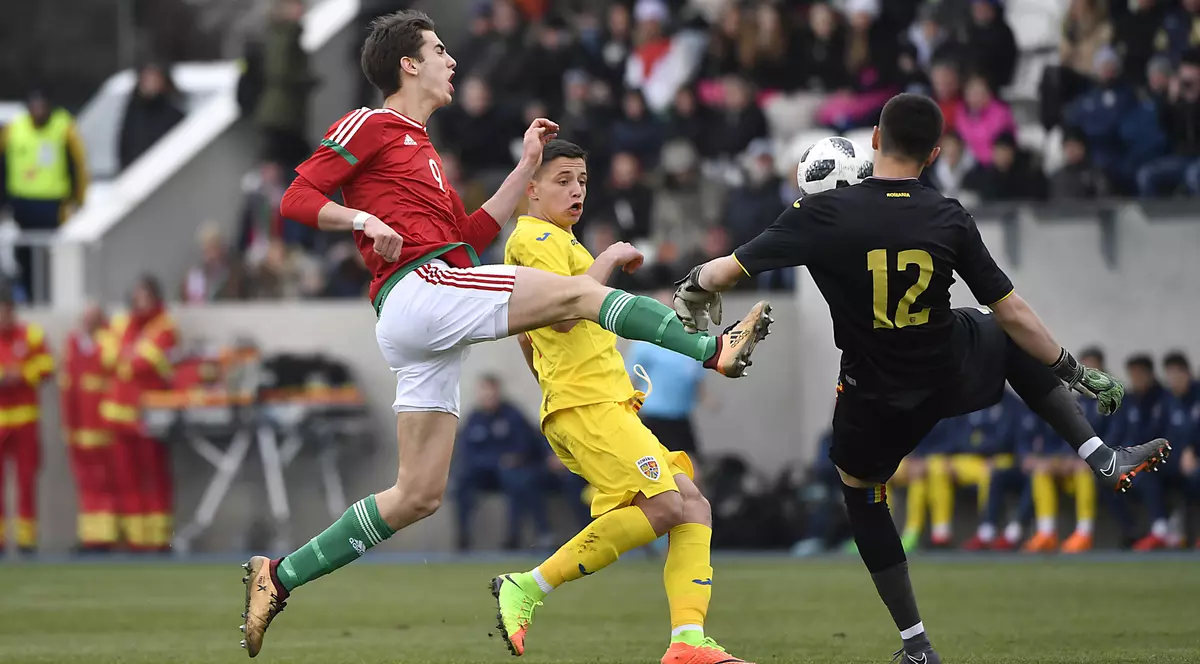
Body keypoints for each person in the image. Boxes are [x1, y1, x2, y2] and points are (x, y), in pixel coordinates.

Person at [240, 12, 772, 658]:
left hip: (431, 308)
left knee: (416, 496)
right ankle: (712, 349)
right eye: (439, 50)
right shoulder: (372, 123)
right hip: (419, 291)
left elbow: (468, 236)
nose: (451, 61)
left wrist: (526, 167)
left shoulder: (425, 150)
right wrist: (360, 219)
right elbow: (295, 198)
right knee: (580, 294)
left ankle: (280, 576)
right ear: (408, 64)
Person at [671, 93, 1171, 663]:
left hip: (873, 389)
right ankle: (1100, 454)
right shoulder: (948, 214)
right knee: (999, 328)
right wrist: (1072, 370)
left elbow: (722, 272)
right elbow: (1013, 312)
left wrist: (693, 288)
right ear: (934, 153)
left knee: (862, 493)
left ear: (874, 140)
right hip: (946, 365)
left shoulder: (821, 212)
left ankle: (916, 644)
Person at [491, 139, 753, 664]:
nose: (576, 190)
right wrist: (609, 256)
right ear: (531, 188)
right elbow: (564, 314)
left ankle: (688, 642)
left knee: (692, 506)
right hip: (587, 406)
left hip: (601, 402)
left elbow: (529, 335)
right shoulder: (535, 237)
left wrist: (553, 381)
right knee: (666, 506)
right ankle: (527, 586)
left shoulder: (560, 242)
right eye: (563, 180)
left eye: (583, 181)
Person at [100, 275, 177, 552]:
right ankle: (137, 540)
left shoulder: (164, 325)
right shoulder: (122, 323)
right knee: (127, 480)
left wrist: (126, 358)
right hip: (119, 418)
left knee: (154, 476)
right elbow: (107, 357)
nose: (140, 302)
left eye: (145, 296)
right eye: (137, 296)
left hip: (148, 417)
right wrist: (127, 357)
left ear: (155, 298)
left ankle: (159, 539)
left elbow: (145, 361)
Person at [454, 374, 553, 551]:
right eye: (484, 391)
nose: (488, 396)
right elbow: (466, 451)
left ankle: (513, 538)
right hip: (483, 472)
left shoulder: (512, 414)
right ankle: (463, 539)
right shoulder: (474, 418)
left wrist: (514, 459)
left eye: (491, 391)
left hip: (508, 472)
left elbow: (525, 446)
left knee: (518, 480)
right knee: (462, 482)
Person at [61, 303, 120, 553]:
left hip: (103, 426)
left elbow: (112, 373)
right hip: (80, 427)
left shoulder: (109, 341)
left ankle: (105, 536)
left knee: (104, 481)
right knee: (85, 483)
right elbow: (68, 387)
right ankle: (90, 535)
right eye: (85, 317)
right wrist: (69, 426)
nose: (87, 322)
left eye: (92, 317)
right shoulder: (74, 343)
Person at [0, 281, 53, 554]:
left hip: (25, 420)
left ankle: (26, 539)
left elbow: (47, 365)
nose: (4, 315)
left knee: (26, 479)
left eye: (7, 309)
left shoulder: (31, 334)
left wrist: (23, 373)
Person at [626, 290, 708, 463]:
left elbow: (696, 378)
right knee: (658, 465)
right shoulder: (645, 343)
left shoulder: (690, 343)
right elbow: (631, 380)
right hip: (653, 417)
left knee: (691, 466)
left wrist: (707, 399)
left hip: (681, 417)